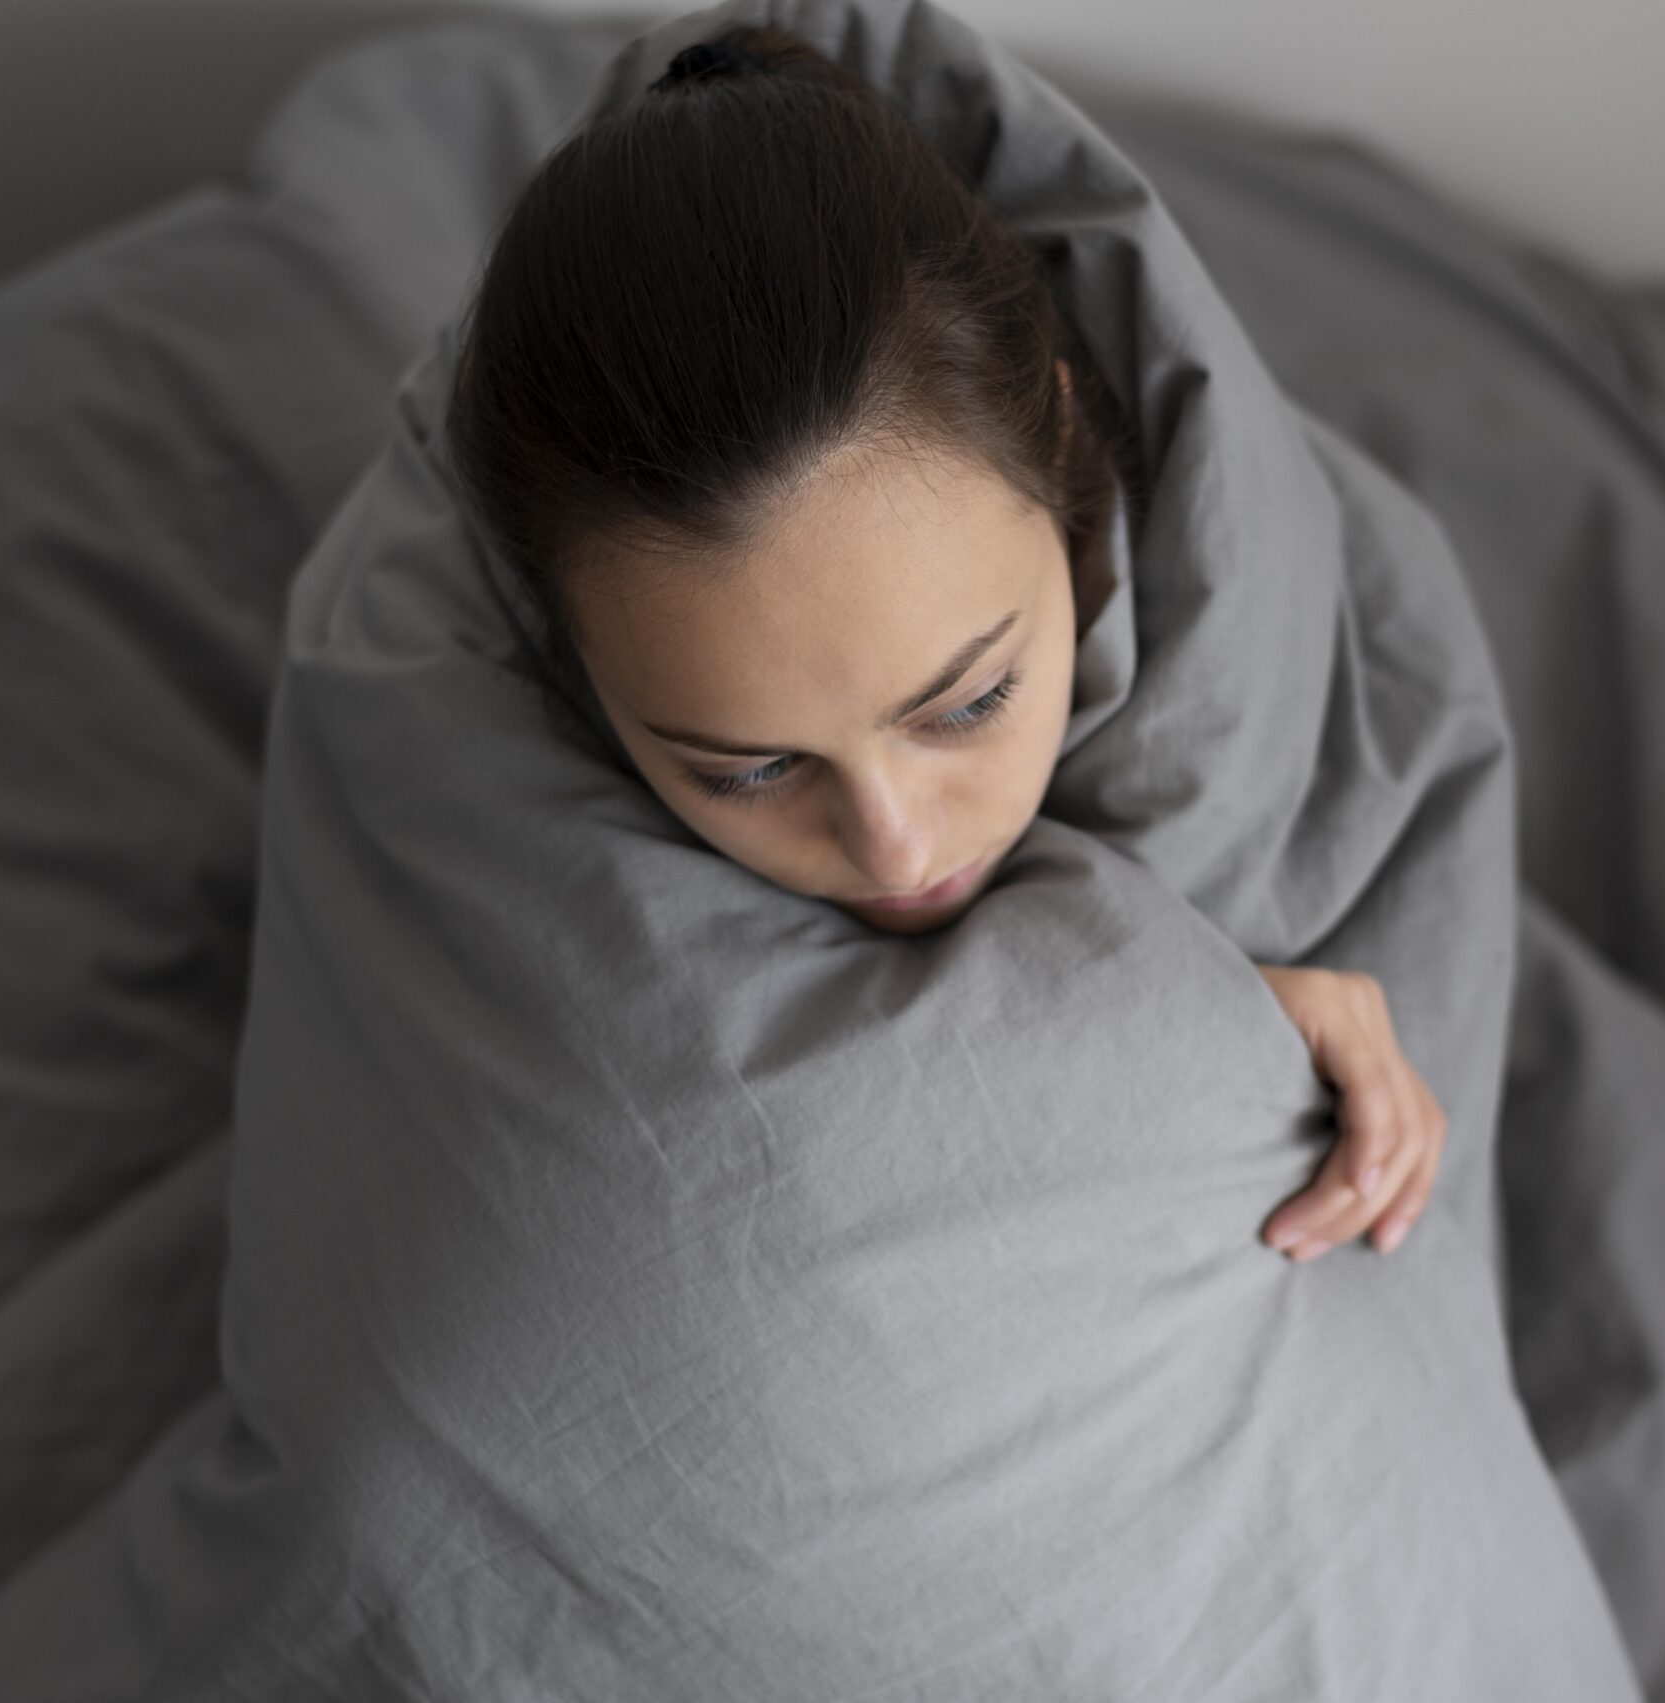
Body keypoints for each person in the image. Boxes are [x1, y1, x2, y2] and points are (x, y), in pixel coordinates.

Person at [446, 21, 1444, 1262]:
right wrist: (1178, 1024)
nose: (895, 846)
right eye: (747, 770)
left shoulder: (1294, 616)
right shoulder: (466, 727)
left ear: (1064, 446)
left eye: (968, 702)